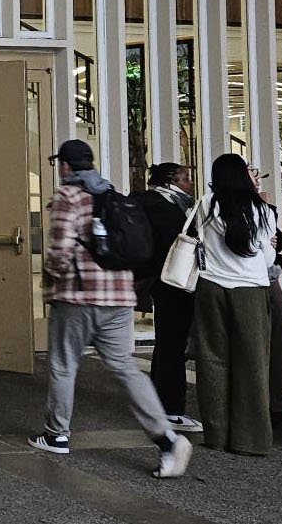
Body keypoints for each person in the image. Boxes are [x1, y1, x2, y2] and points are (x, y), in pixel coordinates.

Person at [30, 139, 191, 478]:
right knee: (126, 368)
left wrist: (50, 278)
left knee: (63, 365)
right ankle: (167, 439)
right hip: (119, 296)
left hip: (78, 297)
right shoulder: (112, 194)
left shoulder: (68, 196)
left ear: (64, 166)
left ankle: (56, 434)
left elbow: (60, 249)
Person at [193, 153, 278, 455]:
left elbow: (197, 242)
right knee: (252, 362)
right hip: (251, 291)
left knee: (212, 360)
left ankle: (216, 434)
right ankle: (250, 438)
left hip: (211, 286)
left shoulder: (205, 204)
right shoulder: (264, 211)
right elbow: (267, 258)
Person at [136, 162, 201, 432]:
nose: (189, 183)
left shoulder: (152, 201)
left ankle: (160, 401)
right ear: (170, 179)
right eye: (185, 178)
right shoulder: (163, 205)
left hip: (162, 282)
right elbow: (169, 242)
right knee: (173, 345)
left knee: (167, 343)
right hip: (173, 281)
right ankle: (170, 408)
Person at [249, 166, 282, 429]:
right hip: (254, 282)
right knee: (268, 342)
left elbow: (276, 242)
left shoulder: (263, 207)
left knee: (279, 340)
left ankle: (276, 403)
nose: (257, 180)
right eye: (251, 175)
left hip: (266, 279)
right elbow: (268, 249)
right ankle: (267, 405)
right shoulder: (224, 207)